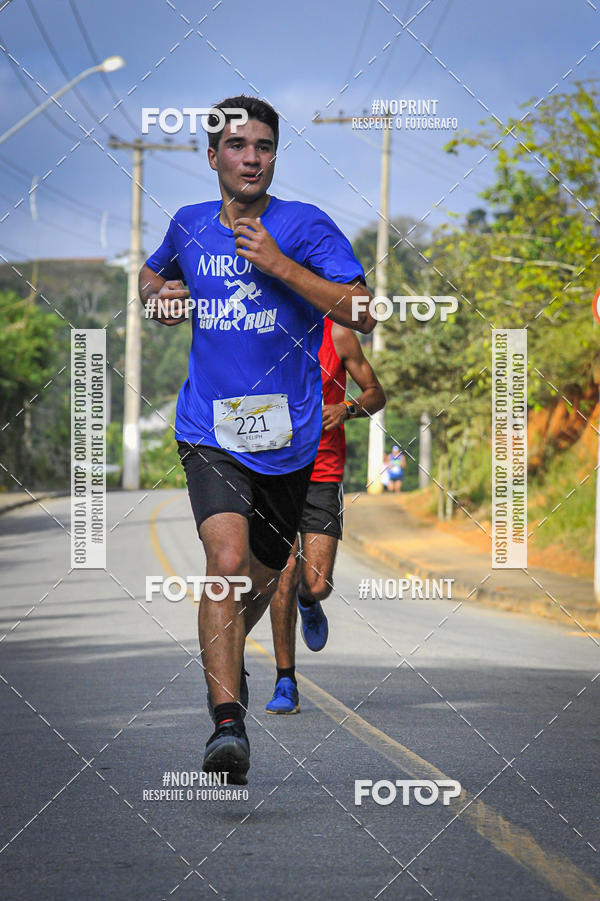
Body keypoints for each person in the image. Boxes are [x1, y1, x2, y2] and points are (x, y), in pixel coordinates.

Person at [139, 95, 375, 785]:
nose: (251, 157)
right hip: (209, 429)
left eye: (264, 146)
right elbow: (154, 275)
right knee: (226, 558)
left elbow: (363, 307)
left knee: (265, 571)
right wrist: (159, 298)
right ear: (212, 156)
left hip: (292, 439)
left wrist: (280, 266)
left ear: (275, 155)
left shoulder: (305, 226)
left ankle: (227, 649)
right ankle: (227, 724)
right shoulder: (188, 224)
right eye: (237, 145)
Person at [265, 319, 385, 713]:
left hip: (322, 471)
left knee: (315, 583)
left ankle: (308, 599)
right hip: (274, 469)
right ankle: (286, 681)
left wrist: (346, 408)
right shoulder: (263, 326)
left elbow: (375, 394)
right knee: (282, 571)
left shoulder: (337, 334)